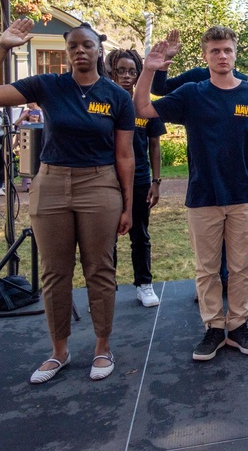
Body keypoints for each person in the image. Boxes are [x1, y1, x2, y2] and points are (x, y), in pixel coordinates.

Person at [0, 18, 134, 384]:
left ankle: (102, 347)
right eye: (73, 46)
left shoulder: (117, 97)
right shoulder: (48, 86)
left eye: (86, 45)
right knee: (55, 272)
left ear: (98, 50)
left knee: (99, 269)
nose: (79, 51)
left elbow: (125, 156)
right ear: (67, 52)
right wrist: (2, 47)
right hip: (52, 183)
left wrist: (128, 205)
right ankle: (59, 351)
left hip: (99, 184)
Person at [135, 26, 248, 361]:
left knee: (240, 267)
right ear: (205, 55)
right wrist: (150, 68)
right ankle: (213, 328)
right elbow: (142, 109)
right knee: (207, 269)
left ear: (236, 53)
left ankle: (238, 326)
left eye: (227, 50)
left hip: (242, 195)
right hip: (203, 195)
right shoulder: (193, 93)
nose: (222, 56)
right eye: (215, 51)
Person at [106, 49, 165, 308]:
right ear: (111, 72)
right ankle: (106, 289)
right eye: (122, 70)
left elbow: (154, 145)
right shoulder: (103, 102)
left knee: (140, 235)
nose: (127, 76)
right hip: (107, 179)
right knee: (106, 238)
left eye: (132, 71)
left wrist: (157, 181)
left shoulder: (145, 106)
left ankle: (144, 284)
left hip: (140, 179)